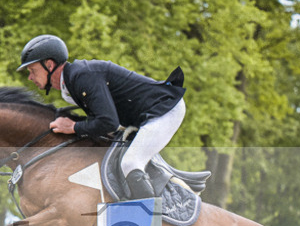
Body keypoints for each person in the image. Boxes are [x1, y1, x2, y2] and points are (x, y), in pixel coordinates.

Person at [18, 34, 186, 200]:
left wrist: (73, 127)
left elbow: (108, 123)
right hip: (144, 116)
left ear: (49, 64)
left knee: (130, 164)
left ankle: (153, 224)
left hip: (164, 109)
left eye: (32, 70)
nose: (30, 77)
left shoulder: (81, 76)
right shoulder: (70, 84)